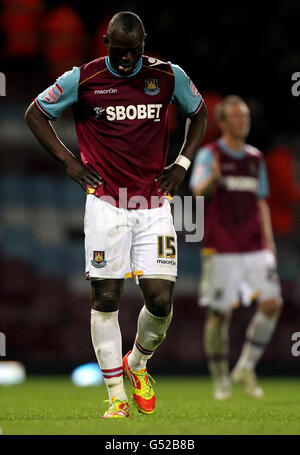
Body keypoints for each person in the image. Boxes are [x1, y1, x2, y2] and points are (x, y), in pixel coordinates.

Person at [25, 11, 207, 418]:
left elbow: (200, 113)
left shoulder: (167, 75)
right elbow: (35, 112)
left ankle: (137, 363)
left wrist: (182, 163)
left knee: (160, 301)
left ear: (145, 44)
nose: (127, 62)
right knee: (106, 298)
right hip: (106, 203)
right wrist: (70, 163)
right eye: (120, 53)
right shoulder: (83, 79)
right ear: (105, 43)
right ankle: (116, 398)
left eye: (135, 53)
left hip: (153, 204)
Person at [189, 95, 282, 400]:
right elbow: (197, 192)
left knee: (272, 303)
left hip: (255, 245)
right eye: (237, 116)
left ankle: (245, 366)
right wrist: (214, 178)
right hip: (222, 247)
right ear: (223, 122)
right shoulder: (209, 154)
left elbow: (261, 201)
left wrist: (269, 243)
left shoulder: (256, 158)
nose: (244, 120)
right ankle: (220, 379)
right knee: (219, 314)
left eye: (246, 116)